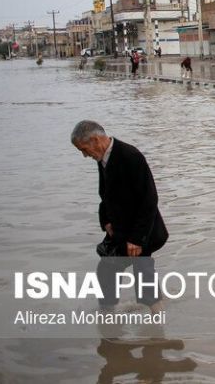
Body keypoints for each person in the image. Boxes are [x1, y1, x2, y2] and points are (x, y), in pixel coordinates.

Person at [70, 120, 168, 311]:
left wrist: (137, 239)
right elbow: (104, 195)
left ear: (96, 140)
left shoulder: (130, 156)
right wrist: (105, 220)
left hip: (141, 233)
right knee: (106, 272)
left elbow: (149, 200)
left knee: (145, 281)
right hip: (120, 231)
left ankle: (159, 330)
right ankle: (108, 320)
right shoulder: (103, 158)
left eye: (84, 149)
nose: (84, 155)